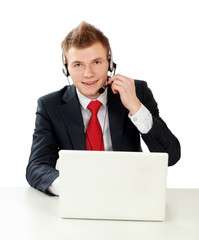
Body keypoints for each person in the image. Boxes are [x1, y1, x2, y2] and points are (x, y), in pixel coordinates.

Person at [26, 21, 181, 196]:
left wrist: (136, 108)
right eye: (78, 64)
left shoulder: (137, 92)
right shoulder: (50, 106)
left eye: (97, 62)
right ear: (66, 67)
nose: (88, 73)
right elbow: (36, 167)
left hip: (129, 195)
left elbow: (171, 156)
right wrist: (70, 187)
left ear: (110, 61)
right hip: (79, 198)